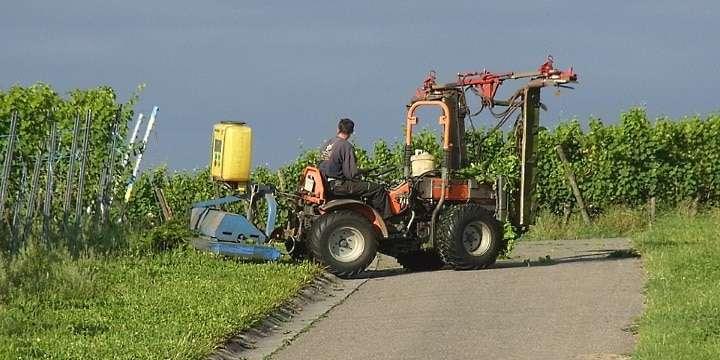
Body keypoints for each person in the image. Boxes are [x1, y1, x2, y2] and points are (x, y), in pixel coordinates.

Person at [318, 118, 392, 218]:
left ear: (338, 129)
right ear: (351, 132)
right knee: (378, 189)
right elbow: (351, 174)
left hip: (326, 183)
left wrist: (360, 171)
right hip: (338, 186)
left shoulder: (328, 144)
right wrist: (360, 174)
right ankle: (388, 221)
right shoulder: (346, 146)